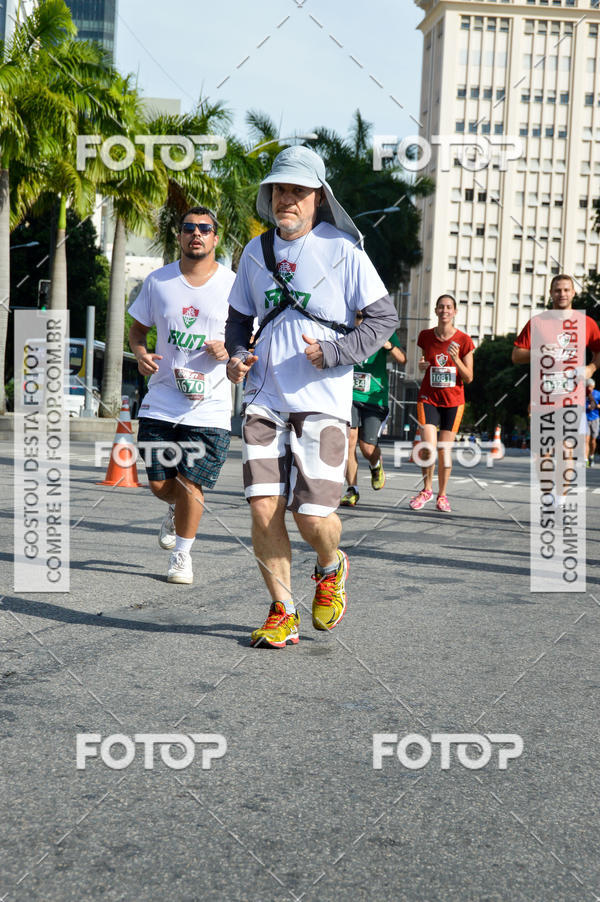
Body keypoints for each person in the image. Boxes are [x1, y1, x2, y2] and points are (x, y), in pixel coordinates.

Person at [224, 145, 399, 648]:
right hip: (261, 399)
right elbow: (239, 318)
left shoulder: (344, 251)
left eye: (298, 191)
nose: (287, 199)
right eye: (279, 189)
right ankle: (283, 610)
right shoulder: (255, 253)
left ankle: (331, 564)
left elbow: (383, 319)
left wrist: (337, 351)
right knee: (263, 509)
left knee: (312, 515)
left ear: (318, 198)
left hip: (323, 403)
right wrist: (238, 354)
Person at [128, 206, 234, 585]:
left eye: (205, 228)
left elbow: (250, 338)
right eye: (189, 228)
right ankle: (173, 509)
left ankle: (182, 556)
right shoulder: (158, 282)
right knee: (160, 484)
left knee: (192, 482)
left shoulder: (233, 285)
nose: (197, 234)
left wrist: (229, 350)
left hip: (211, 405)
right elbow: (137, 331)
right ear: (180, 236)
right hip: (162, 399)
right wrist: (140, 354)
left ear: (215, 238)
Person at [409, 294, 474, 513]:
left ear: (455, 312)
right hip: (428, 397)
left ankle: (442, 495)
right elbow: (424, 361)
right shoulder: (425, 336)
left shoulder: (464, 340)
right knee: (428, 446)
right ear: (436, 311)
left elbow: (469, 378)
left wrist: (456, 360)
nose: (445, 310)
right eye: (441, 307)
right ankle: (426, 490)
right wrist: (422, 365)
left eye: (449, 307)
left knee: (444, 450)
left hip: (453, 401)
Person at [340, 315, 406, 506]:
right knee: (349, 441)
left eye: (362, 316)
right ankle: (352, 489)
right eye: (357, 316)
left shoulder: (384, 330)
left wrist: (390, 346)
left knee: (367, 448)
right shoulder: (345, 330)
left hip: (374, 398)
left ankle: (375, 465)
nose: (359, 321)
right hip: (349, 396)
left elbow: (402, 359)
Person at [512, 274, 600, 375]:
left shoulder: (587, 323)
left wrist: (591, 368)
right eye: (558, 291)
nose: (562, 294)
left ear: (573, 293)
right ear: (551, 293)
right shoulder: (537, 322)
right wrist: (539, 352)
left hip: (575, 388)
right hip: (543, 388)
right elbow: (516, 356)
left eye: (566, 290)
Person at [585, 378, 600, 466]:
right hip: (585, 418)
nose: (589, 388)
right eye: (588, 387)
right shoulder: (583, 394)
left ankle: (591, 456)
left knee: (593, 440)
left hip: (595, 418)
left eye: (590, 387)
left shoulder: (598, 393)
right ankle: (585, 459)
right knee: (586, 440)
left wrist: (597, 406)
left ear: (593, 386)